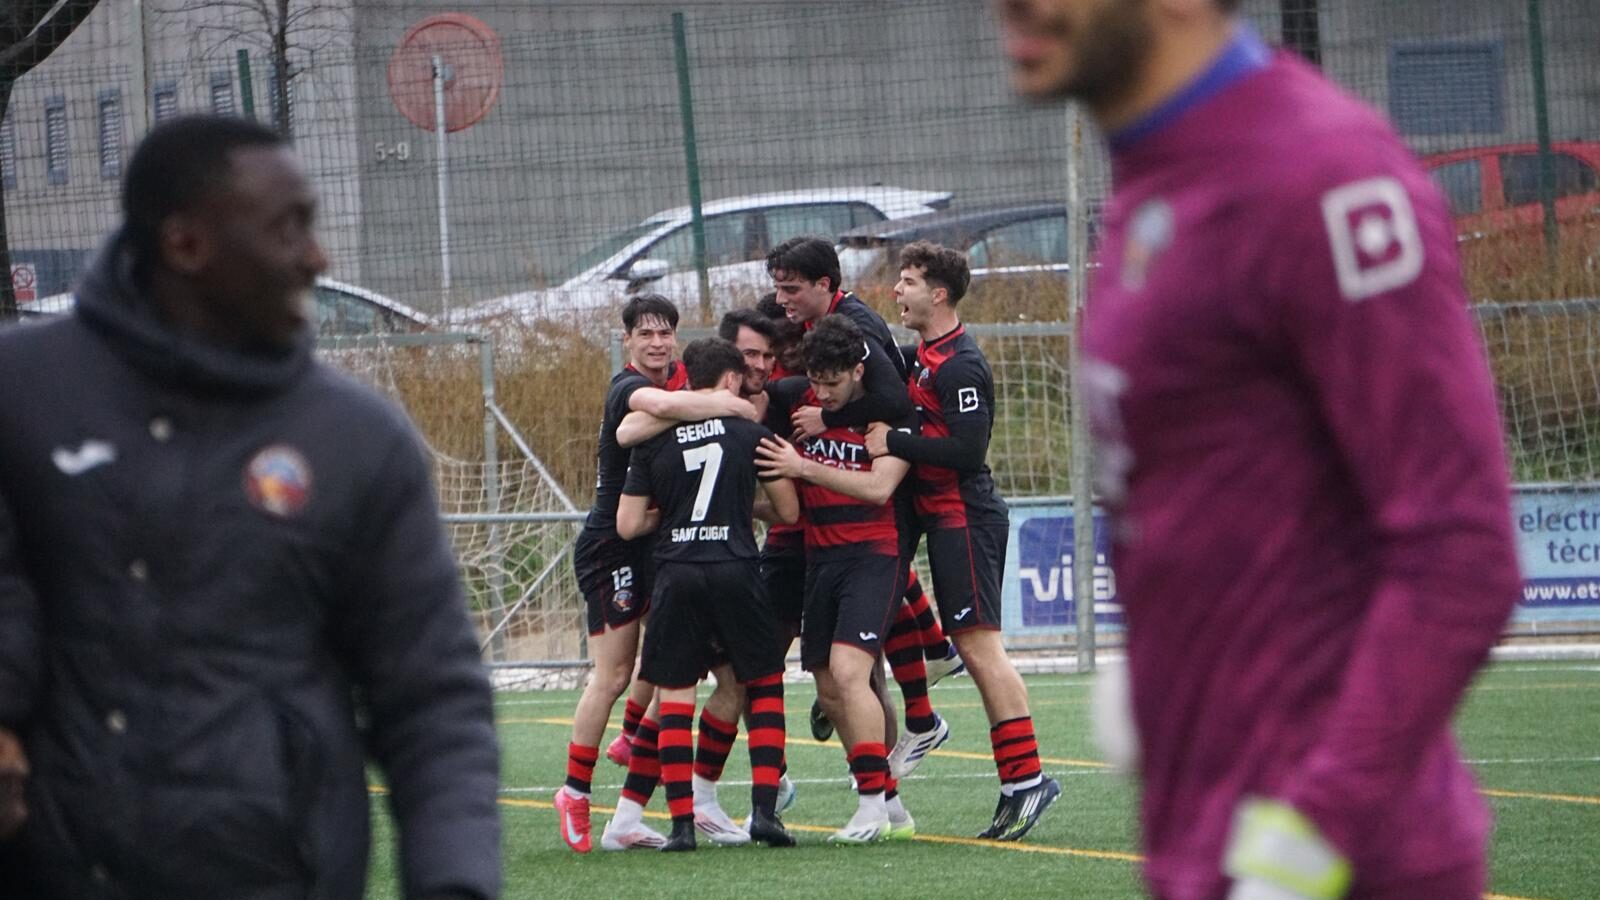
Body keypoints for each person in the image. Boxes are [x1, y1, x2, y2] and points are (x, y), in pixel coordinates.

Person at [995, 2, 1521, 898]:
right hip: (1207, 845)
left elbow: (1460, 550)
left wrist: (1301, 855)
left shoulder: (1322, 175)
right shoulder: (1157, 176)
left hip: (1346, 871)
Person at [0, 116, 500, 900]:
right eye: (287, 227)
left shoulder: (356, 441)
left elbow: (431, 695)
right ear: (188, 245)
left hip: (269, 876)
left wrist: (456, 885)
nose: (317, 255)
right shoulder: (22, 391)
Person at [868, 241, 1060, 837]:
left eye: (908, 281)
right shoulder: (923, 354)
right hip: (935, 516)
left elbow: (967, 451)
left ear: (939, 293)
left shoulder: (960, 364)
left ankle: (1027, 780)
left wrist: (894, 443)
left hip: (964, 517)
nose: (898, 291)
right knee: (951, 633)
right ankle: (1012, 775)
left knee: (981, 648)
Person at [560, 293, 756, 853]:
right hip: (614, 547)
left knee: (704, 671)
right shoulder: (630, 388)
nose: (656, 342)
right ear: (627, 341)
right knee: (615, 674)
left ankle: (673, 792)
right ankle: (575, 790)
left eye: (664, 332)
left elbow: (683, 409)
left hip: (670, 549)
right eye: (644, 333)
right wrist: (731, 405)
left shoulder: (683, 382)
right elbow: (638, 425)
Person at [766, 238, 963, 751]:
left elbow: (895, 401)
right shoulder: (810, 336)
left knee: (874, 604)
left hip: (887, 487)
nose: (781, 299)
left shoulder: (857, 327)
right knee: (866, 632)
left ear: (824, 286)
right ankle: (929, 671)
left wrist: (827, 420)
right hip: (836, 533)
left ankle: (913, 730)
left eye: (790, 289)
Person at [615, 337, 802, 852]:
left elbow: (628, 523)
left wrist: (673, 518)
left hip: (677, 570)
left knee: (675, 693)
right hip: (737, 568)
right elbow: (788, 512)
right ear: (730, 380)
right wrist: (743, 510)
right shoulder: (750, 432)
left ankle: (679, 827)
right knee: (762, 684)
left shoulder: (655, 438)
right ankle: (765, 813)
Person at [755, 315, 920, 845]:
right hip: (819, 560)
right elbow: (754, 395)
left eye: (833, 383)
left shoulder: (887, 418)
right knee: (828, 688)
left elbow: (877, 488)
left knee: (851, 674)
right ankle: (890, 803)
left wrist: (803, 468)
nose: (822, 394)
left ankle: (869, 804)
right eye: (816, 382)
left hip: (874, 555)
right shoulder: (796, 401)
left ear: (857, 370)